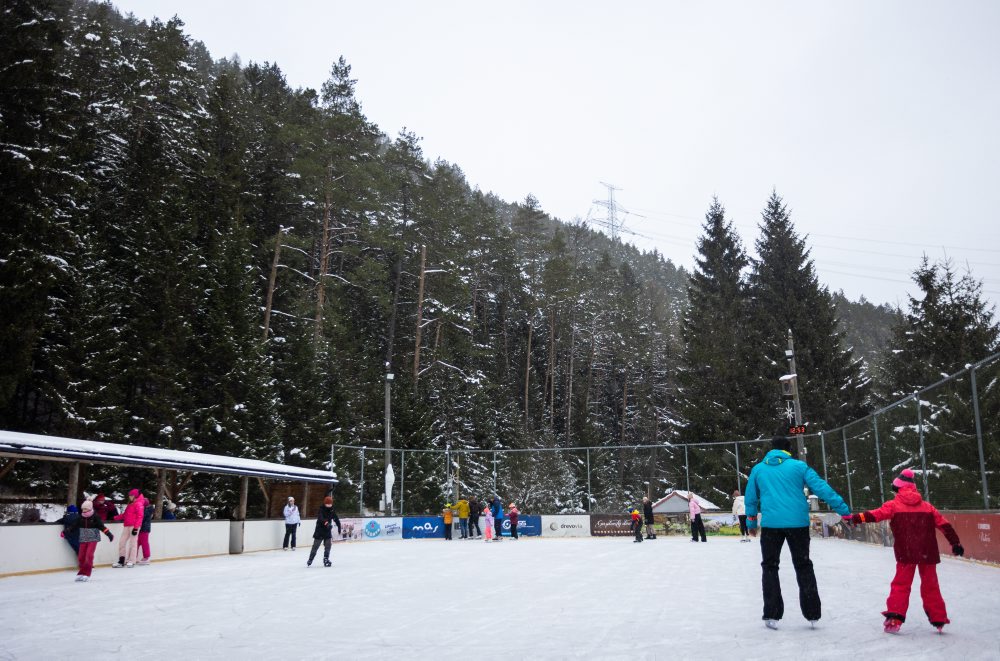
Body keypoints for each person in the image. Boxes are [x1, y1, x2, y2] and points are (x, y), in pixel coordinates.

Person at [745, 435, 850, 630]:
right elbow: (821, 488)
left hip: (771, 526)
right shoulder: (799, 467)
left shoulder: (759, 469)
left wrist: (751, 521)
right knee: (803, 565)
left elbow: (750, 498)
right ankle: (812, 613)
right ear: (788, 450)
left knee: (770, 567)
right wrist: (844, 510)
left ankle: (772, 613)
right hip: (797, 525)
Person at [846, 468, 964, 634]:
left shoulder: (893, 505)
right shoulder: (927, 507)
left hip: (906, 552)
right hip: (927, 551)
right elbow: (945, 525)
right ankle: (938, 618)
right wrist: (955, 543)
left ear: (898, 488)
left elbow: (875, 515)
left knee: (901, 585)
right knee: (931, 585)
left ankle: (895, 617)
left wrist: (856, 519)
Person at [64, 499, 114, 582]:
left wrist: (109, 534)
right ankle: (82, 573)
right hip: (83, 537)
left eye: (85, 509)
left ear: (90, 508)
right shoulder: (81, 517)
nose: (84, 511)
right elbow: (74, 525)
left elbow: (101, 526)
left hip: (93, 537)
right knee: (81, 556)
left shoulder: (95, 516)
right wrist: (66, 531)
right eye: (83, 509)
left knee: (89, 556)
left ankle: (87, 573)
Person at [113, 488, 144, 568]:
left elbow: (140, 517)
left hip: (134, 526)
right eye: (129, 495)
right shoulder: (130, 504)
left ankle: (132, 560)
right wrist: (115, 517)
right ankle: (121, 560)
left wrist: (136, 528)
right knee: (122, 542)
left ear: (135, 496)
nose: (129, 497)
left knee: (133, 543)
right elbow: (125, 515)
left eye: (131, 495)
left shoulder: (139, 504)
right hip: (127, 525)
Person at [307, 496, 341, 567]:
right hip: (320, 531)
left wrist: (339, 526)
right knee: (315, 546)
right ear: (325, 503)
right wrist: (327, 523)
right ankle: (310, 559)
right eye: (327, 504)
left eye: (330, 504)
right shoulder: (321, 509)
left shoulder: (332, 510)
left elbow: (336, 518)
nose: (329, 505)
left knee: (328, 546)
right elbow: (321, 518)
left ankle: (326, 558)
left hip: (327, 531)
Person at [137, 495, 154, 565]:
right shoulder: (145, 509)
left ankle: (146, 557)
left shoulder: (147, 510)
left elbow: (142, 518)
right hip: (140, 528)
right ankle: (134, 556)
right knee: (137, 543)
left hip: (145, 529)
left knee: (144, 543)